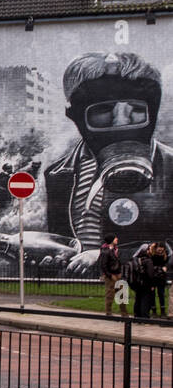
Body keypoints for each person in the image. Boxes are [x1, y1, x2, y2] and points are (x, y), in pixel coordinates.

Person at [44, 52, 173, 274]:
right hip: (77, 293)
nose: (121, 120)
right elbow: (63, 242)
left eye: (136, 109)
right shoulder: (58, 175)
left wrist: (109, 257)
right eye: (104, 109)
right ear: (75, 115)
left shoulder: (170, 168)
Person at [99, 236, 127, 317]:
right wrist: (109, 275)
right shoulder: (106, 251)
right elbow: (103, 265)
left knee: (122, 294)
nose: (117, 239)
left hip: (118, 274)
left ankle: (124, 313)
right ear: (111, 240)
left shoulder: (115, 250)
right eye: (115, 238)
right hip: (111, 276)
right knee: (110, 294)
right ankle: (109, 312)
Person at [131, 243, 157, 319]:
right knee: (145, 300)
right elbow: (150, 274)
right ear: (146, 251)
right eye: (149, 249)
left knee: (138, 299)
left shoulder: (136, 259)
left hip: (137, 283)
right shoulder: (148, 261)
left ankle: (137, 316)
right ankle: (145, 317)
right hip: (146, 283)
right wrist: (152, 284)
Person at [149, 241, 170, 317]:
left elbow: (167, 264)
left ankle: (162, 312)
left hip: (161, 277)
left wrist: (165, 268)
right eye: (159, 249)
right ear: (156, 248)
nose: (160, 251)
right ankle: (154, 311)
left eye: (162, 250)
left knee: (161, 294)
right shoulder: (152, 254)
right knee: (152, 294)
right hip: (153, 277)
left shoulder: (165, 255)